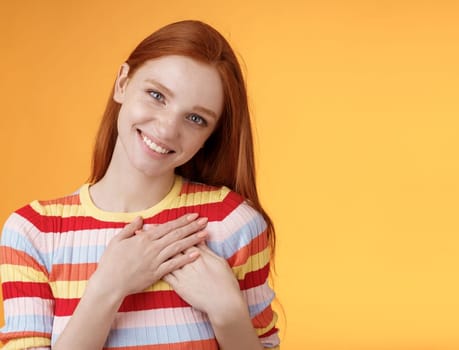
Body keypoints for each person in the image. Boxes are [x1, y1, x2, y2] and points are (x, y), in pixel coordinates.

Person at [0, 20, 280, 349]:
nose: (166, 128)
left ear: (209, 136)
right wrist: (107, 288)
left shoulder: (233, 223)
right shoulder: (34, 232)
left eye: (195, 118)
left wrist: (228, 313)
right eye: (156, 95)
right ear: (122, 83)